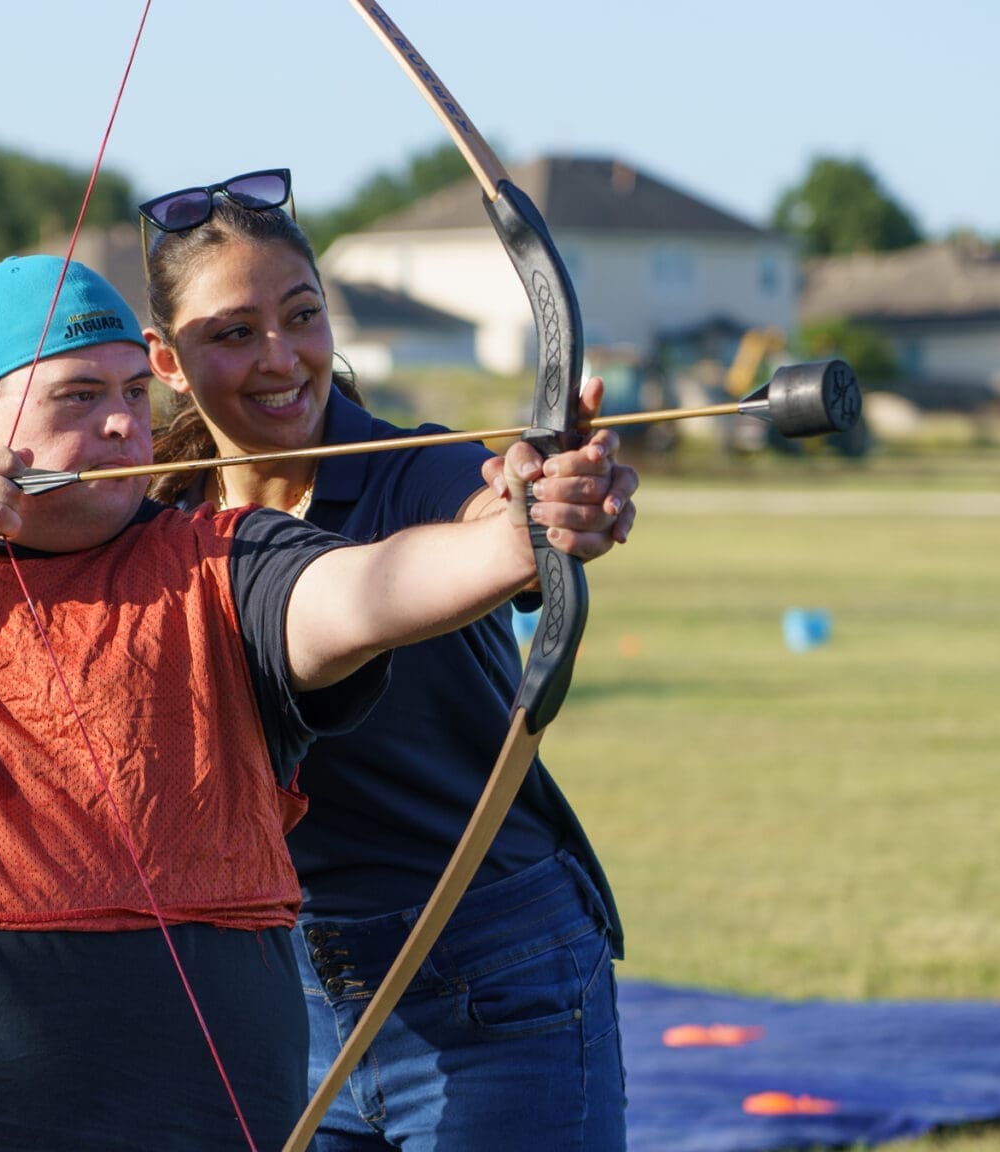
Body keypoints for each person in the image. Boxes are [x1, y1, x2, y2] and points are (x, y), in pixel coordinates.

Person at [0, 254, 612, 1152]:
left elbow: (363, 592)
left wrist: (513, 539)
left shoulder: (222, 560)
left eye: (134, 394)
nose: (119, 425)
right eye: (78, 395)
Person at [138, 169, 639, 1149]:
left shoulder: (415, 466)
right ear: (164, 358)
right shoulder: (156, 525)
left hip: (493, 977)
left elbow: (492, 502)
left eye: (302, 316)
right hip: (277, 1001)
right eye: (233, 333)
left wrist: (540, 504)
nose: (281, 358)